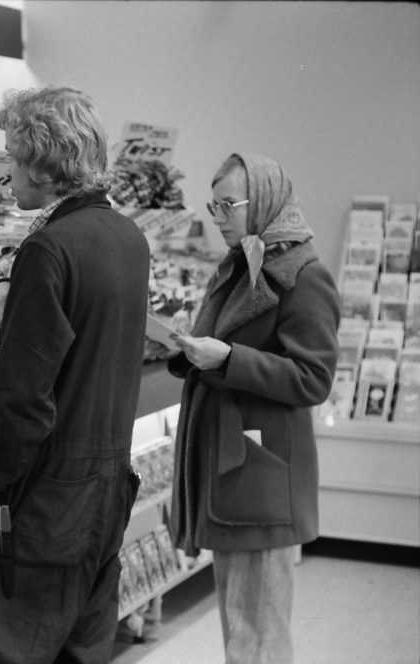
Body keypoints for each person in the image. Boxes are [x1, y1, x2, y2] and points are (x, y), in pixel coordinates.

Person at [0, 87, 150, 663]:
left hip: (37, 514)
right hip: (105, 497)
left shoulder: (49, 249)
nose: (7, 170)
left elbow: (20, 402)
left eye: (12, 155)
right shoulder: (128, 238)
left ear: (41, 161)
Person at [168, 154, 339, 664]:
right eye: (213, 203)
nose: (218, 215)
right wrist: (191, 349)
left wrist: (229, 359)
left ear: (262, 201)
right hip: (235, 468)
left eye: (228, 204)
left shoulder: (303, 276)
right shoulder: (240, 265)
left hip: (262, 472)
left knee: (257, 636)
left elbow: (314, 377)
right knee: (244, 629)